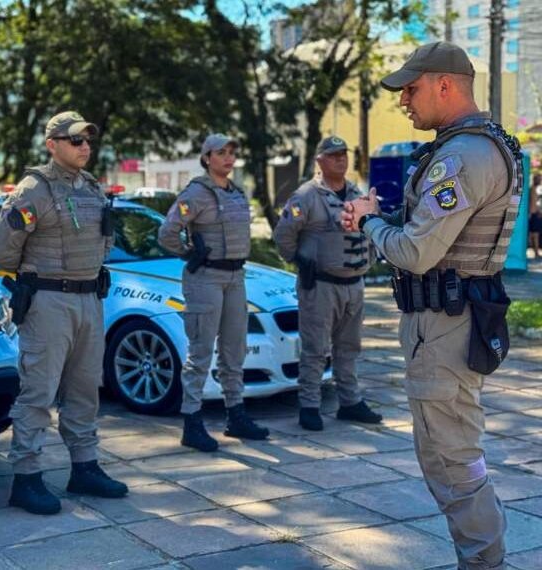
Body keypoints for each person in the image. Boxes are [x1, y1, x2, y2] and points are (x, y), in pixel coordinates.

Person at [342, 41, 523, 570]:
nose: (403, 101)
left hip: (444, 327)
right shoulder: (473, 148)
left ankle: (484, 563)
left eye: (411, 89)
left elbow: (417, 252)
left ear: (445, 85)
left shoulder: (462, 156)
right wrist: (386, 215)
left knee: (453, 460)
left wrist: (368, 223)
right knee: (450, 456)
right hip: (450, 322)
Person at [0, 111, 128, 515]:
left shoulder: (90, 187)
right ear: (53, 145)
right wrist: (40, 274)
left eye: (87, 140)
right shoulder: (33, 190)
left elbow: (104, 241)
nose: (85, 147)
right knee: (38, 391)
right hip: (49, 301)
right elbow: (2, 253)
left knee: (85, 389)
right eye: (75, 141)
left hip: (89, 298)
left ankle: (84, 467)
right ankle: (26, 478)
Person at [157, 134, 269, 452]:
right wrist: (190, 252)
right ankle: (192, 422)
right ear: (207, 157)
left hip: (235, 276)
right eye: (221, 153)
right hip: (205, 278)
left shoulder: (236, 192)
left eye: (232, 152)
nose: (228, 158)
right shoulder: (196, 192)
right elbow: (167, 231)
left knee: (235, 350)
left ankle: (236, 416)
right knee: (201, 352)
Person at [273, 136, 382, 431]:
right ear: (319, 160)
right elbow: (283, 235)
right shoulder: (307, 196)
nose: (341, 160)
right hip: (320, 286)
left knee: (349, 348)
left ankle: (350, 401)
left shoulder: (357, 193)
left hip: (354, 285)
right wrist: (298, 259)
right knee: (315, 348)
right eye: (334, 156)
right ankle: (309, 404)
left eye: (344, 154)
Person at [529, 174, 541, 259]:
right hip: (535, 214)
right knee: (535, 234)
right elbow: (535, 203)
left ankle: (535, 251)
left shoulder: (532, 189)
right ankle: (536, 252)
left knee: (533, 234)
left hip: (533, 213)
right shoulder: (534, 189)